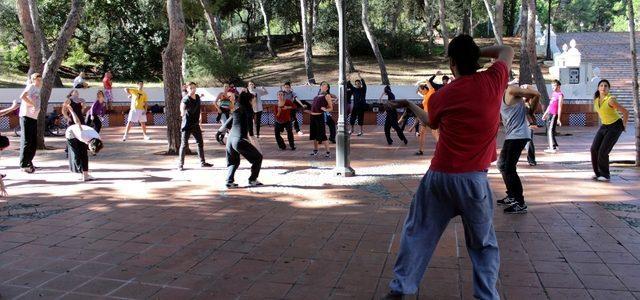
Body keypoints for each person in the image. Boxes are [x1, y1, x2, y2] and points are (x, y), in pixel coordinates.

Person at [384, 35, 514, 300]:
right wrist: (477, 52)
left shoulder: (444, 95)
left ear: (452, 63)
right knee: (483, 245)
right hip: (474, 181)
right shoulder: (494, 80)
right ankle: (487, 296)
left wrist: (409, 105)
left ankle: (400, 289)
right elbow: (506, 50)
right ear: (476, 59)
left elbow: (432, 123)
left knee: (417, 233)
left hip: (440, 177)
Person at [496, 84, 540, 214]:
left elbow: (537, 94)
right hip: (512, 135)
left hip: (519, 134)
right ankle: (511, 196)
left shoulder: (511, 90)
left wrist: (531, 111)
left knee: (509, 168)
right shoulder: (500, 95)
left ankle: (520, 203)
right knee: (501, 165)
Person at [218, 91, 263, 188]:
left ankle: (229, 182)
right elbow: (250, 131)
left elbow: (228, 122)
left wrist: (219, 132)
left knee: (233, 162)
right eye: (253, 100)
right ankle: (252, 179)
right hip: (239, 140)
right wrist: (253, 141)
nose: (254, 102)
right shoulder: (249, 111)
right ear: (249, 101)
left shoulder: (237, 108)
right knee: (258, 158)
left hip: (230, 139)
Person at [590, 79, 629, 182]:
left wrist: (624, 125)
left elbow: (625, 112)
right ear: (598, 88)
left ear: (608, 89)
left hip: (615, 126)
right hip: (605, 125)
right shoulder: (596, 100)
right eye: (601, 85)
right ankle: (598, 173)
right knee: (594, 149)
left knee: (603, 151)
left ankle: (605, 175)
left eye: (606, 86)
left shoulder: (611, 100)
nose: (603, 87)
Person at [63, 100, 104, 181]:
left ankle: (85, 175)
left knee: (84, 155)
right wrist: (71, 110)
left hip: (85, 135)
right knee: (78, 154)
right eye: (90, 149)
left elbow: (98, 145)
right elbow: (77, 121)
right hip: (71, 134)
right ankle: (82, 173)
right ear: (88, 144)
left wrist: (93, 149)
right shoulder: (83, 136)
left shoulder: (98, 139)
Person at [178, 82, 213, 171]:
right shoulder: (186, 98)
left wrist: (201, 96)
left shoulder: (197, 97)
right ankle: (180, 165)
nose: (193, 89)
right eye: (191, 88)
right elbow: (182, 105)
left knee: (200, 143)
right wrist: (182, 112)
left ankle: (202, 162)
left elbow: (197, 104)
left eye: (194, 87)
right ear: (187, 89)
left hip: (195, 125)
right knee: (184, 144)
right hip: (187, 125)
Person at [19, 73, 42, 174]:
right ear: (33, 80)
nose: (39, 82)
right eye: (38, 80)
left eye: (40, 80)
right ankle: (23, 164)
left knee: (33, 141)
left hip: (33, 117)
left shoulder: (37, 89)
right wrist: (32, 104)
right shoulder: (31, 86)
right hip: (26, 116)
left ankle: (29, 162)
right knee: (27, 140)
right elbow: (22, 96)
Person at [306, 81, 334, 158]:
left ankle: (328, 152)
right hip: (312, 117)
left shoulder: (327, 95)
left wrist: (325, 109)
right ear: (320, 87)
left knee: (322, 135)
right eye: (322, 85)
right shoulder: (317, 95)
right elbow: (314, 107)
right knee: (314, 135)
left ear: (327, 88)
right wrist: (309, 111)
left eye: (325, 85)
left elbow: (331, 108)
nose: (323, 86)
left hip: (319, 117)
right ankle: (315, 151)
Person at [414, 81, 436, 155]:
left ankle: (444, 149)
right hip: (424, 116)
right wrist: (418, 92)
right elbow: (422, 95)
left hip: (430, 116)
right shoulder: (425, 95)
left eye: (421, 90)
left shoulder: (431, 92)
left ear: (424, 89)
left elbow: (428, 83)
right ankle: (421, 150)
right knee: (422, 133)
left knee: (434, 133)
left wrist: (419, 82)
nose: (421, 92)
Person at [542, 79, 563, 153]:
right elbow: (550, 105)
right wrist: (545, 114)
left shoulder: (560, 95)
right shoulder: (553, 93)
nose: (553, 87)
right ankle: (555, 145)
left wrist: (559, 119)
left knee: (550, 131)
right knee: (551, 130)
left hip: (554, 115)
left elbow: (560, 107)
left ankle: (552, 148)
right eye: (552, 86)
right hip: (550, 114)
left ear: (558, 86)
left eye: (554, 86)